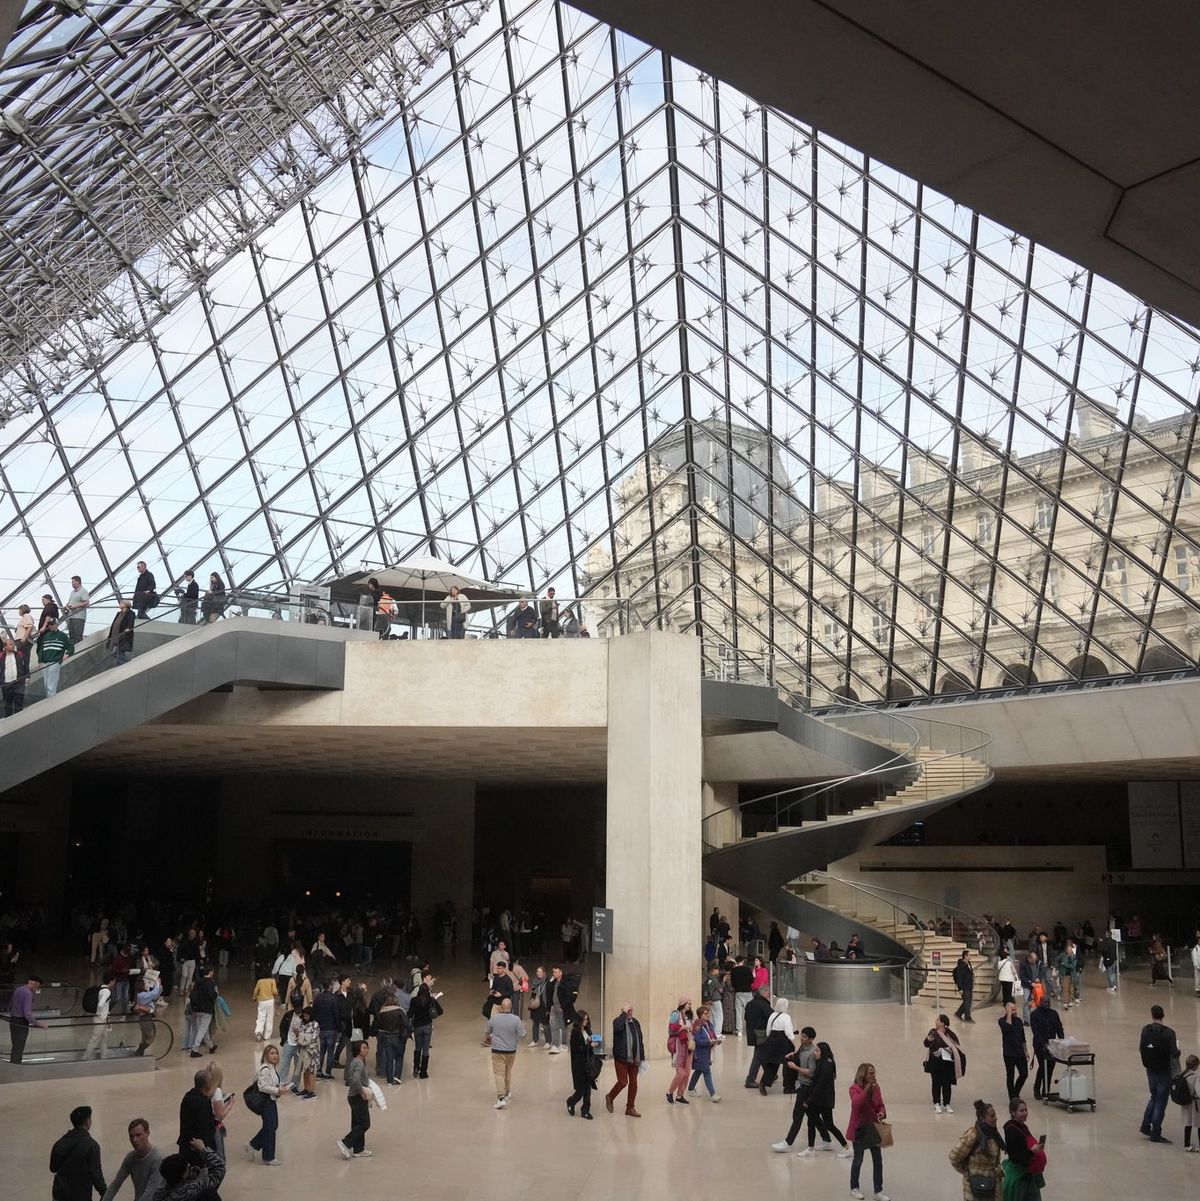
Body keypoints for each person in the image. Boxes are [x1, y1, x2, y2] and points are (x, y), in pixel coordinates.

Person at [1139, 1003, 1181, 1142]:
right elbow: (1174, 1053)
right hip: (1164, 1070)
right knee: (1161, 1101)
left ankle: (1145, 1125)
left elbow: (1141, 1048)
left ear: (1152, 1015)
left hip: (1150, 1068)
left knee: (1154, 1096)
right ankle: (1155, 1132)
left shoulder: (1145, 1029)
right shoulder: (1169, 1033)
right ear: (1163, 1015)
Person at [948, 1098, 1005, 1201]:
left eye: (995, 1115)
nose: (996, 1118)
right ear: (982, 1118)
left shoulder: (993, 1134)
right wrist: (968, 1171)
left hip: (993, 1187)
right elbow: (954, 1157)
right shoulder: (973, 1136)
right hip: (975, 1189)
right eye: (992, 1116)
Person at [848, 1061, 889, 1201]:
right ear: (863, 1074)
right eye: (870, 1073)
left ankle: (878, 1190)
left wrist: (882, 1112)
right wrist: (866, 1090)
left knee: (878, 1160)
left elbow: (880, 1105)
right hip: (859, 1129)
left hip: (873, 1128)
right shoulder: (854, 1088)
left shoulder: (876, 1088)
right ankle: (854, 1187)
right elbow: (857, 1104)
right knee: (858, 1159)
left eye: (874, 1073)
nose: (873, 1075)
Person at [49, 1106, 107, 1201]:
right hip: (80, 1196)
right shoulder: (92, 1145)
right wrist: (105, 1192)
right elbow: (95, 1174)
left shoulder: (59, 1143)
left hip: (60, 1196)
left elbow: (53, 1168)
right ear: (87, 1122)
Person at [101, 1117, 164, 1201]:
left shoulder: (158, 1159)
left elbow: (150, 1193)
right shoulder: (131, 1157)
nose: (135, 1140)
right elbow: (115, 1185)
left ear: (147, 1133)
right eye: (131, 1136)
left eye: (138, 1135)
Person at [246, 1042, 284, 1166]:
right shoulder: (265, 1069)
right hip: (266, 1101)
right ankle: (268, 1157)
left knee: (272, 1125)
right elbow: (262, 1086)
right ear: (266, 1056)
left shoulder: (272, 1068)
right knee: (270, 1127)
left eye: (276, 1053)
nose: (275, 1056)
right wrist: (277, 1090)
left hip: (271, 1100)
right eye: (272, 1053)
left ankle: (253, 1145)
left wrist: (280, 1088)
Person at [485, 996, 527, 1108]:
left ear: (501, 1007)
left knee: (499, 1073)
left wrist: (489, 1039)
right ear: (511, 1007)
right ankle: (507, 1092)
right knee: (508, 1071)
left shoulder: (494, 1019)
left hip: (497, 1050)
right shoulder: (516, 1019)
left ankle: (501, 1097)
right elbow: (522, 1035)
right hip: (511, 1050)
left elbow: (487, 1032)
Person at [605, 1001, 645, 1116]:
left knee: (634, 1084)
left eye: (631, 1010)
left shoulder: (636, 1022)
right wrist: (623, 1014)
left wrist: (642, 1056)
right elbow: (617, 1028)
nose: (630, 1012)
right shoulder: (618, 1022)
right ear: (623, 1011)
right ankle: (610, 1096)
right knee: (623, 1082)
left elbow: (640, 1040)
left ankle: (630, 1107)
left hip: (634, 1058)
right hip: (621, 1058)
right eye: (628, 1010)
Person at [1002, 1097, 1047, 1200]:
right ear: (1013, 1113)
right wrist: (1032, 1152)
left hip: (1028, 1175)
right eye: (1021, 1111)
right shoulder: (1012, 1130)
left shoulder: (1022, 1126)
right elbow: (1014, 1157)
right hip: (1020, 1177)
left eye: (1026, 1110)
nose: (1025, 1113)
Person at [337, 1038, 374, 1157]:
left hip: (353, 1096)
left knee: (357, 1122)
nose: (366, 1050)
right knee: (365, 1123)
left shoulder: (355, 1062)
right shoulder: (359, 1063)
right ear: (358, 1050)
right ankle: (346, 1142)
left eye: (367, 1047)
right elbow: (356, 1080)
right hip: (357, 1097)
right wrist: (362, 1092)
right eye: (364, 1048)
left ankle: (358, 1149)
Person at [155, 1140, 225, 1200]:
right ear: (183, 1175)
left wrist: (187, 1179)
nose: (190, 1167)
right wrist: (203, 1149)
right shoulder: (191, 1191)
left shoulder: (159, 1195)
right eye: (187, 1168)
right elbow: (219, 1169)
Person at [924, 1013, 965, 1114]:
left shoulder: (951, 1034)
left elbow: (956, 1048)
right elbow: (926, 1044)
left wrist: (947, 1050)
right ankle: (936, 1103)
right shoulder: (933, 1032)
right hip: (935, 1062)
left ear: (942, 1023)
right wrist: (927, 1040)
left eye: (937, 1020)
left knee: (947, 1084)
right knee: (936, 1082)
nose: (935, 1022)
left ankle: (947, 1103)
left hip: (947, 1063)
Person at [753, 996, 794, 1094]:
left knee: (772, 1064)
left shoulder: (772, 1015)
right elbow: (789, 1032)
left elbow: (768, 1030)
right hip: (783, 1041)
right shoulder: (786, 1017)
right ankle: (788, 1086)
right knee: (788, 1063)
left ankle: (764, 1082)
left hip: (772, 1039)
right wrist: (795, 1044)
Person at [1028, 992, 1063, 1101]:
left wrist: (1062, 1039)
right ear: (1040, 1002)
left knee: (1051, 1067)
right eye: (1045, 1002)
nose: (1047, 1004)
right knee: (1043, 1066)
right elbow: (1036, 1031)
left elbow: (1059, 1027)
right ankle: (1037, 1088)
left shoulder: (1054, 1013)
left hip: (1052, 1044)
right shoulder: (1034, 1015)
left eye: (1048, 1002)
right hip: (1040, 1045)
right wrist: (1044, 1043)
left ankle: (1046, 1091)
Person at [408, 972, 442, 1079]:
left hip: (417, 1025)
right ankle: (423, 1072)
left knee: (418, 1047)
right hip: (427, 1025)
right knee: (426, 1049)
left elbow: (410, 1014)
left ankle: (415, 1067)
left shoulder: (414, 1000)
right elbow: (440, 1011)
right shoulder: (431, 1000)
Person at [8, 972, 48, 1062]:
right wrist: (39, 1024)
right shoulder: (28, 994)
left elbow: (10, 1005)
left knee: (15, 1046)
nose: (37, 988)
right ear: (35, 984)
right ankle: (17, 1068)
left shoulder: (18, 989)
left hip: (13, 1020)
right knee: (19, 1047)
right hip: (21, 1022)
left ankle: (13, 1066)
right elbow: (27, 1014)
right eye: (38, 986)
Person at [686, 1003, 722, 1101]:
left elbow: (713, 1036)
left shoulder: (709, 1025)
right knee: (707, 1072)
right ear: (700, 1015)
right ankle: (712, 1094)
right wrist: (708, 1042)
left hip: (707, 1052)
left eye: (708, 1013)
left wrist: (717, 1041)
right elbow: (697, 1040)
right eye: (706, 1014)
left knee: (699, 1070)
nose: (708, 1015)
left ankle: (690, 1088)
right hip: (700, 1053)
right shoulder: (698, 1025)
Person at [176, 1069, 217, 1153]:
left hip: (185, 1144)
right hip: (197, 1149)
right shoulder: (203, 1104)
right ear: (208, 1085)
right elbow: (203, 1130)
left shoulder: (188, 1097)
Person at [566, 1009, 597, 1117]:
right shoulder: (575, 1033)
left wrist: (592, 1043)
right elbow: (576, 1049)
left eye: (587, 1020)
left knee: (588, 1088)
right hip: (579, 1064)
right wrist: (588, 1045)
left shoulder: (587, 1031)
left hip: (588, 1062)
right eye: (584, 1020)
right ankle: (571, 1101)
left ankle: (585, 1110)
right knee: (582, 1089)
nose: (586, 1022)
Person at [997, 1000, 1031, 1099]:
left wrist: (1026, 1051)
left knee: (1024, 1074)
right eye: (1013, 1009)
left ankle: (1016, 1092)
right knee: (1010, 1075)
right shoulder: (1002, 1021)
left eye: (1015, 1009)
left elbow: (1022, 1037)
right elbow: (1007, 1028)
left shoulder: (1019, 1021)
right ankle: (1012, 1096)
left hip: (1020, 1052)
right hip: (1009, 1053)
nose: (1015, 1011)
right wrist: (1009, 1014)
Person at [742, 983, 773, 1089]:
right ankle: (750, 1079)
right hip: (761, 1033)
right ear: (763, 993)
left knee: (761, 1053)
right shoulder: (764, 1005)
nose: (769, 995)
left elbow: (746, 1017)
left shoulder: (750, 1004)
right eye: (768, 993)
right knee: (758, 1056)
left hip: (752, 1033)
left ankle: (771, 1074)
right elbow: (771, 1018)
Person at [36, 616, 74, 697]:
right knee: (46, 683)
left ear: (56, 625)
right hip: (45, 662)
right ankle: (49, 698)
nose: (50, 626)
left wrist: (68, 654)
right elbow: (42, 649)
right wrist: (40, 660)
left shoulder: (62, 635)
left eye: (52, 624)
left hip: (55, 661)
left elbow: (71, 646)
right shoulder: (46, 636)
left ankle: (50, 699)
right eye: (49, 624)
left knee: (51, 682)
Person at [666, 997, 694, 1104]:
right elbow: (671, 1029)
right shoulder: (675, 1014)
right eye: (688, 1004)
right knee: (680, 1073)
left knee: (687, 1073)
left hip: (689, 1045)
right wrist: (683, 1028)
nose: (690, 1006)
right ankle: (670, 1092)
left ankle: (680, 1095)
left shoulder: (689, 1015)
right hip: (679, 1046)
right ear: (683, 1004)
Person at [187, 966, 218, 1058]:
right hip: (206, 1008)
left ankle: (210, 1046)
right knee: (203, 1029)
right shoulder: (210, 983)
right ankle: (195, 1049)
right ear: (211, 972)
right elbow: (211, 995)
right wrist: (216, 993)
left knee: (204, 1028)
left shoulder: (198, 981)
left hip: (197, 1008)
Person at [86, 970, 114, 1060]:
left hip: (102, 1019)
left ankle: (104, 1057)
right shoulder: (107, 992)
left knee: (103, 1039)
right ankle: (85, 1058)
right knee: (94, 1040)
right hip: (101, 1019)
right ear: (111, 981)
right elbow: (101, 1004)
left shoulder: (101, 989)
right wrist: (100, 1014)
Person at [0, 635, 30, 716]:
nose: (13, 645)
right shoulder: (1, 656)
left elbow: (25, 665)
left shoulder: (19, 654)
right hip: (6, 684)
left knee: (19, 704)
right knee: (7, 705)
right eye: (10, 644)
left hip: (18, 682)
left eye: (13, 644)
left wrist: (27, 676)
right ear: (5, 647)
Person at [528, 965, 552, 1048]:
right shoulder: (535, 981)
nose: (538, 973)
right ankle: (535, 1040)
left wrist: (548, 1008)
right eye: (537, 972)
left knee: (545, 1024)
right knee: (535, 1023)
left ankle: (548, 1041)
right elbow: (533, 993)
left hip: (543, 1005)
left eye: (540, 972)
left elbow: (549, 996)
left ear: (544, 973)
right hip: (535, 1005)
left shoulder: (547, 982)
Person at [730, 955, 753, 1035]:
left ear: (736, 961)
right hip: (748, 992)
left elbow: (733, 984)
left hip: (738, 992)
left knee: (738, 1012)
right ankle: (750, 1028)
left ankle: (739, 1030)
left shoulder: (733, 970)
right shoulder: (748, 969)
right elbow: (751, 980)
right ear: (743, 961)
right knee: (749, 1011)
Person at [252, 970, 277, 1042]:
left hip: (262, 1001)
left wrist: (254, 998)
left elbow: (256, 991)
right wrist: (276, 994)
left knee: (260, 1017)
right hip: (270, 1001)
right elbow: (275, 991)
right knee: (269, 1019)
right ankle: (267, 1036)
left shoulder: (259, 981)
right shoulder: (272, 980)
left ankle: (258, 1032)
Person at [107, 601, 135, 666]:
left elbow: (131, 622)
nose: (120, 604)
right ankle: (122, 665)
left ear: (126, 605)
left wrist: (128, 628)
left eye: (122, 603)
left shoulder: (130, 613)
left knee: (115, 652)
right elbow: (114, 624)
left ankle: (128, 664)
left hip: (124, 636)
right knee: (119, 652)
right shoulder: (118, 614)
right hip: (116, 636)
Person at [64, 576, 90, 643]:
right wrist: (67, 606)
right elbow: (70, 601)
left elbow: (87, 602)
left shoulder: (83, 591)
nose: (72, 583)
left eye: (73, 582)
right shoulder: (72, 592)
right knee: (71, 635)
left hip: (79, 617)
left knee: (77, 635)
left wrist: (76, 606)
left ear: (78, 582)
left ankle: (78, 649)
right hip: (71, 616)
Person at [953, 950, 975, 1022]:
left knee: (967, 1001)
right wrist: (960, 988)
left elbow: (967, 974)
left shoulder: (968, 964)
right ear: (965, 956)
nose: (971, 956)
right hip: (965, 986)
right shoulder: (961, 966)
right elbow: (960, 978)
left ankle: (958, 1013)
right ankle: (967, 1017)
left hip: (969, 985)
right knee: (967, 1002)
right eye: (969, 955)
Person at [1057, 939, 1080, 1008]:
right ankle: (1065, 1002)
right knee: (1065, 989)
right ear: (1066, 950)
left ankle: (1070, 1001)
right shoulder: (1062, 955)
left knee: (1071, 989)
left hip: (1072, 976)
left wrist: (1064, 964)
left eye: (1071, 950)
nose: (1070, 951)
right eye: (1069, 950)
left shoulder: (1074, 957)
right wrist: (1058, 967)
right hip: (1064, 975)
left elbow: (1073, 966)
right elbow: (1057, 960)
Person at [1191, 930, 1200, 997]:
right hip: (1198, 967)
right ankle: (1198, 990)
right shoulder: (1195, 949)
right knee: (1198, 979)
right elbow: (1194, 958)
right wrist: (1197, 966)